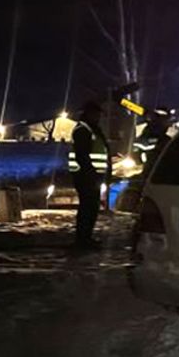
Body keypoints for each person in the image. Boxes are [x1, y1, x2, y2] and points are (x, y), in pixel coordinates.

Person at [68, 101, 111, 249]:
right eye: (96, 114)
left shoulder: (91, 129)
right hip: (86, 176)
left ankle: (86, 238)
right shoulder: (83, 130)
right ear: (89, 114)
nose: (99, 117)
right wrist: (91, 173)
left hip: (91, 176)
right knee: (88, 208)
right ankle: (83, 239)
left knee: (91, 208)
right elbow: (82, 155)